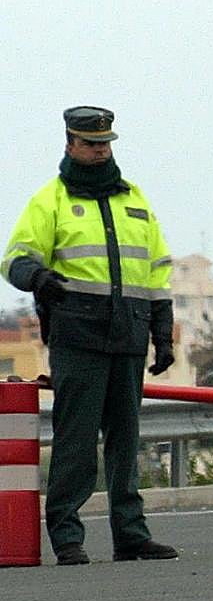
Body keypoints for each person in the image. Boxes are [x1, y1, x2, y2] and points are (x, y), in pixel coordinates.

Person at [3, 106, 178, 565]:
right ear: (70, 145)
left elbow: (157, 272)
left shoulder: (134, 200)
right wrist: (38, 278)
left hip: (128, 335)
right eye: (90, 143)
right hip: (77, 336)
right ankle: (67, 536)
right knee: (75, 442)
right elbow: (14, 259)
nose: (100, 151)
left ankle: (131, 534)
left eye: (105, 143)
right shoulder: (52, 200)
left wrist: (163, 334)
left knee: (125, 441)